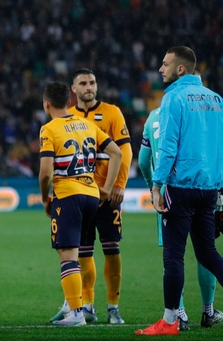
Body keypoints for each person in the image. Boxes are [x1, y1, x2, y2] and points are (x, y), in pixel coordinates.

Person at [136, 46, 223, 336]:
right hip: (209, 191)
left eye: (164, 64)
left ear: (181, 69)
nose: (160, 69)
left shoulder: (173, 98)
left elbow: (169, 146)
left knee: (173, 257)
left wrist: (158, 185)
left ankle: (170, 321)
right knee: (208, 253)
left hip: (181, 187)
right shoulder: (217, 100)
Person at [50, 68, 132, 324]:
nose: (89, 87)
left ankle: (113, 306)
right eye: (83, 83)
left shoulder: (112, 112)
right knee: (83, 252)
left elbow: (125, 151)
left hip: (108, 196)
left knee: (112, 249)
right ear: (73, 90)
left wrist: (118, 185)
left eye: (92, 82)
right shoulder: (68, 116)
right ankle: (87, 305)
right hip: (81, 195)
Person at [139, 98, 223, 331]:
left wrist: (153, 187)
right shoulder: (199, 112)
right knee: (205, 252)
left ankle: (179, 314)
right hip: (201, 186)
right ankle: (208, 311)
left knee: (173, 255)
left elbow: (144, 161)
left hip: (166, 192)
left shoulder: (153, 117)